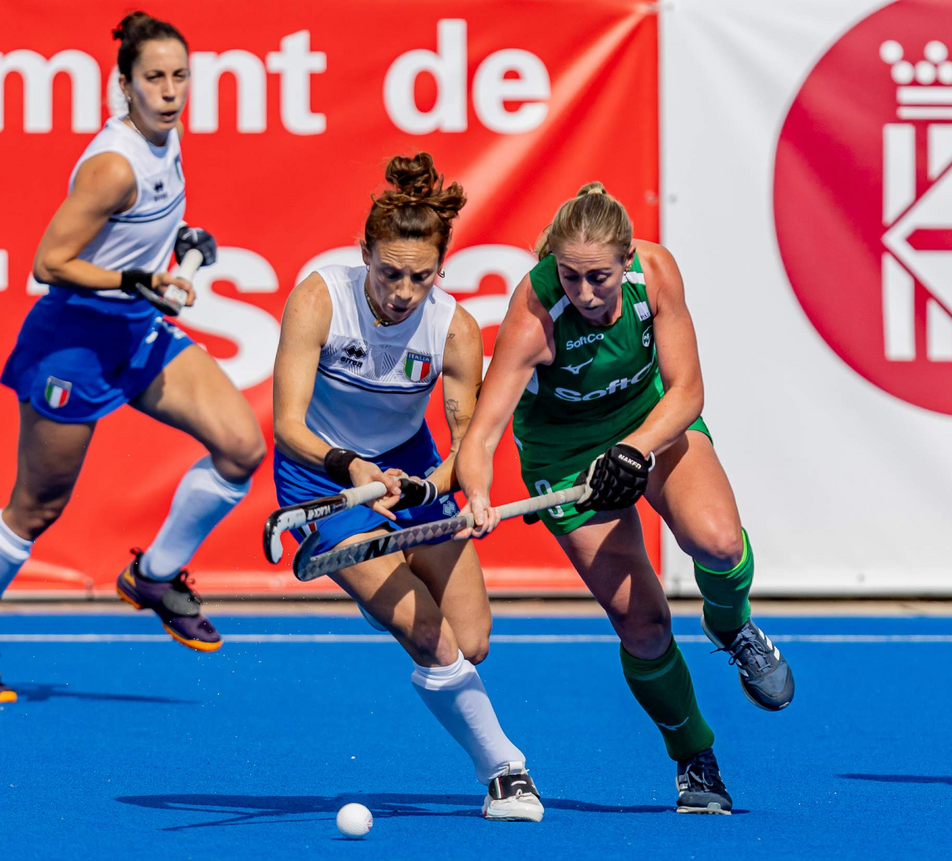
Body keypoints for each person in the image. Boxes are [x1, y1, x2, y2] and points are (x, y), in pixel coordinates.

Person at [456, 183, 795, 815]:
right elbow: (481, 435)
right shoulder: (534, 314)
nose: (585, 293)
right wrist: (476, 495)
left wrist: (634, 449)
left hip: (649, 421)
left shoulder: (656, 275)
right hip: (564, 456)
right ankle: (693, 756)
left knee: (719, 543)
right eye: (570, 276)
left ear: (628, 258)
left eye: (599, 278)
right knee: (643, 624)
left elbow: (687, 391)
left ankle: (729, 623)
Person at [0, 11, 266, 701]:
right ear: (126, 85)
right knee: (34, 509)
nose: (170, 90)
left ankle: (153, 575)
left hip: (137, 329)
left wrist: (179, 239)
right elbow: (49, 261)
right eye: (154, 78)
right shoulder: (113, 166)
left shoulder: (166, 138)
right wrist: (134, 278)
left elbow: (131, 234)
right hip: (76, 343)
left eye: (180, 76)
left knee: (240, 447)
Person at [271, 153, 542, 822]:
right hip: (323, 477)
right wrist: (352, 469)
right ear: (364, 252)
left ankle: (381, 590)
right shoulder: (319, 298)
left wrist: (434, 489)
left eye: (421, 276)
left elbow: (464, 444)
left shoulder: (454, 329)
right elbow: (287, 425)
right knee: (428, 636)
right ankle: (505, 771)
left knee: (470, 641)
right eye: (389, 272)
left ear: (440, 269)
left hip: (410, 469)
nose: (402, 291)